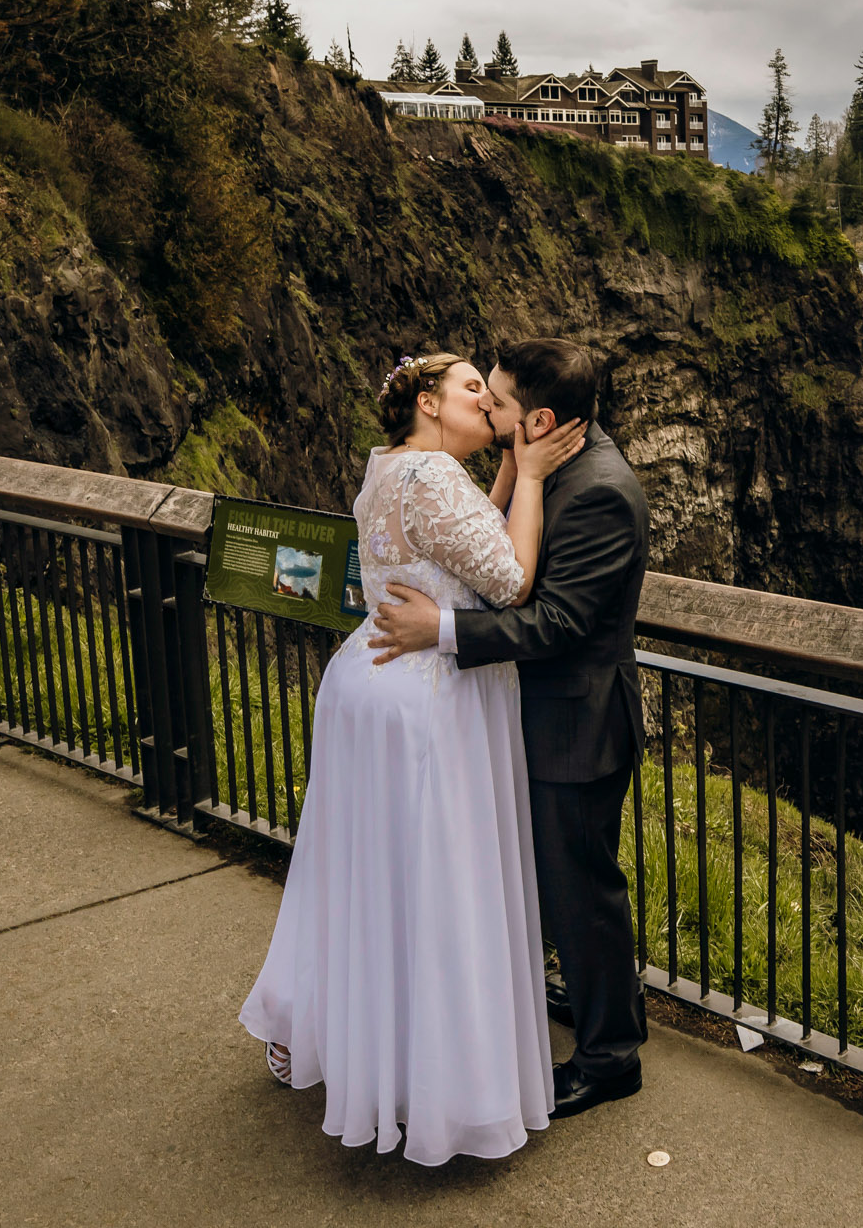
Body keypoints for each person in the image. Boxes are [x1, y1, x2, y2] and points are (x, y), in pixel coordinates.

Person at [239, 352, 585, 1166]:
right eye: (472, 389)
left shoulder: (390, 468)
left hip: (366, 683)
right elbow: (507, 578)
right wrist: (530, 472)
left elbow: (456, 541)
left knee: (361, 878)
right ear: (429, 403)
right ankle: (433, 1081)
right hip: (425, 699)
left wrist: (502, 473)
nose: (488, 403)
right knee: (433, 885)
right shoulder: (432, 475)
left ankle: (332, 1034)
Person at [372, 338, 651, 1121]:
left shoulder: (599, 490)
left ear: (541, 418)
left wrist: (446, 631)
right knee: (565, 886)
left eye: (497, 403)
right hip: (545, 718)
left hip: (578, 726)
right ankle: (611, 1008)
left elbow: (557, 620)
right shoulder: (551, 465)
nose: (488, 412)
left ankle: (610, 1058)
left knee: (583, 892)